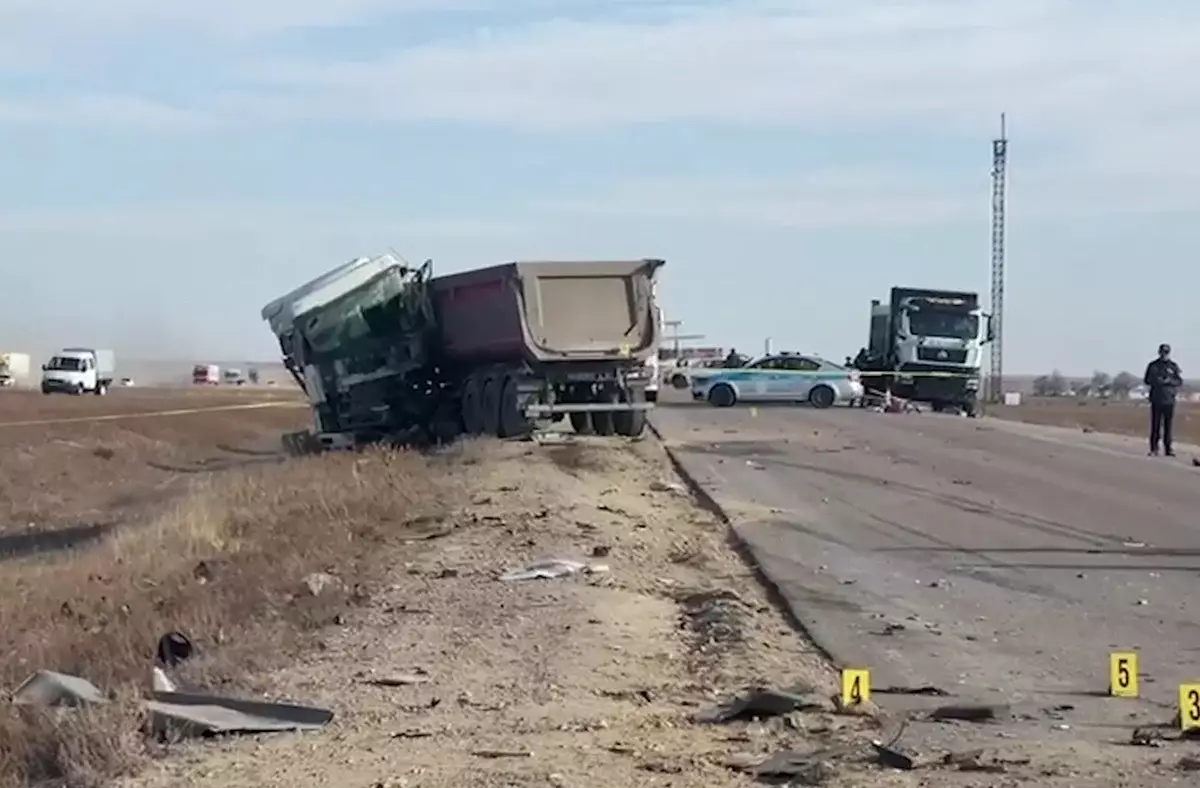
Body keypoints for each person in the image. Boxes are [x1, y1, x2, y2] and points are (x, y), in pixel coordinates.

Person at [1143, 343, 1183, 456]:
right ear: (1159, 352)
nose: (1164, 355)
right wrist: (1157, 381)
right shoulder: (1153, 366)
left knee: (1168, 426)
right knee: (1155, 425)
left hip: (1169, 400)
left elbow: (1179, 381)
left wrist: (1169, 381)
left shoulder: (1173, 366)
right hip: (1156, 399)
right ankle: (1154, 448)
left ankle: (1168, 448)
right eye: (1162, 352)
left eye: (1166, 353)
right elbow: (1147, 380)